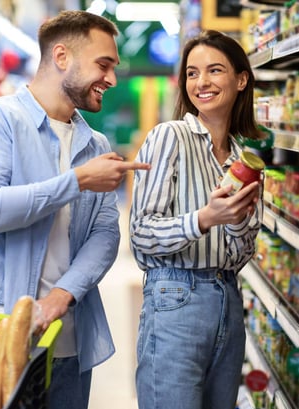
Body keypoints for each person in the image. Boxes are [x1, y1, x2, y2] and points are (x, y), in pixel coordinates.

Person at [0, 9, 150, 409]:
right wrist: (77, 180)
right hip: (0, 338)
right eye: (103, 64)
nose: (112, 79)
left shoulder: (94, 144)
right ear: (61, 57)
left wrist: (61, 297)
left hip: (70, 346)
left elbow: (105, 234)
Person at [129, 30, 264, 409]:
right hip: (175, 298)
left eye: (214, 71)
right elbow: (141, 235)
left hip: (228, 300)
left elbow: (241, 254)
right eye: (192, 73)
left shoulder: (245, 159)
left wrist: (236, 221)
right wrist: (204, 219)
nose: (201, 82)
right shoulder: (169, 137)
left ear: (241, 80)